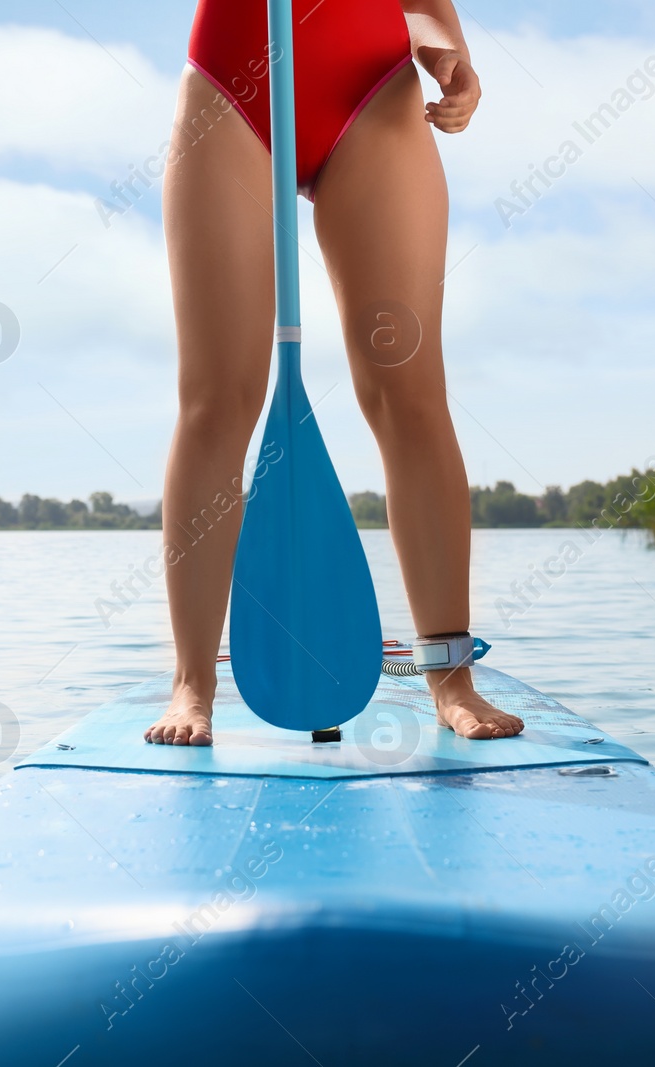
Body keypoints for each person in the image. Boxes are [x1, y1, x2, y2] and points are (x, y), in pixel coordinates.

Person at [145, 0, 524, 746]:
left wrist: (447, 53)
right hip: (232, 86)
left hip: (373, 93)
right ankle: (193, 680)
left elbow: (424, 8)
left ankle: (450, 673)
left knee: (408, 393)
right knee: (218, 398)